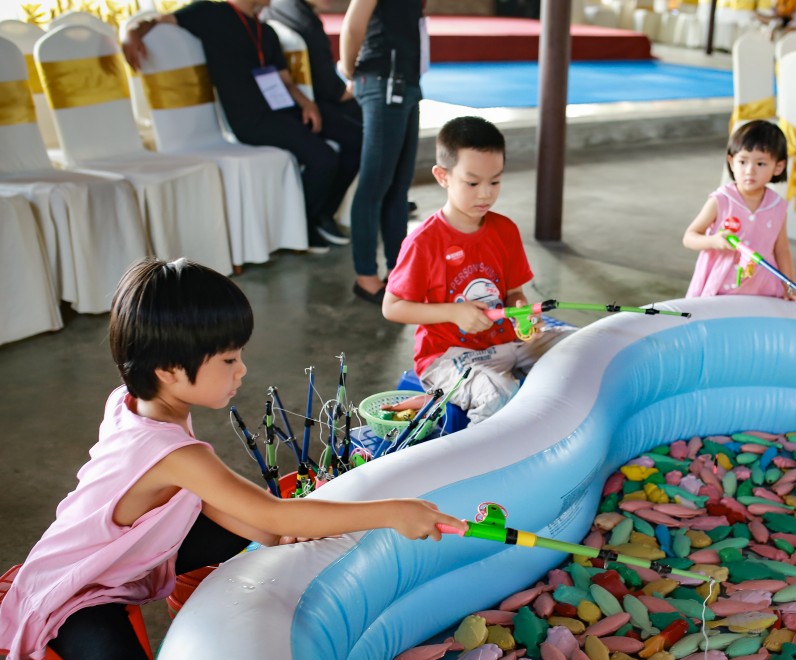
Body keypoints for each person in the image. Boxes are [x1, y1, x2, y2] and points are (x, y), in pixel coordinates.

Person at [0, 260, 463, 660]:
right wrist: (393, 511)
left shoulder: (133, 401)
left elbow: (243, 512)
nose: (242, 370)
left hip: (127, 551)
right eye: (228, 359)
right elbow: (277, 513)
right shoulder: (180, 455)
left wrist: (271, 527)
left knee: (258, 526)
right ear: (171, 371)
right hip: (79, 586)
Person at [121, 0, 360, 253]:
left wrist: (306, 104)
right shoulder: (211, 13)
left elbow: (284, 80)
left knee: (358, 139)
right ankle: (305, 224)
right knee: (324, 158)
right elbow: (156, 21)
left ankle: (322, 213)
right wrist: (130, 35)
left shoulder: (265, 30)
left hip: (284, 109)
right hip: (251, 119)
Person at [381, 117, 573, 424]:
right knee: (499, 395)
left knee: (580, 348)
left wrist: (522, 312)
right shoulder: (423, 242)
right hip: (449, 356)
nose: (485, 194)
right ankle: (483, 463)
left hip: (508, 343)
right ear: (442, 176)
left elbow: (513, 293)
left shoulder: (505, 230)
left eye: (495, 181)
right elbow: (392, 308)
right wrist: (453, 312)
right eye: (472, 183)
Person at [340, 0, 423, 304]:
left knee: (398, 187)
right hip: (384, 80)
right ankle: (365, 276)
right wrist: (350, 70)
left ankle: (397, 271)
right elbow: (353, 25)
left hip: (406, 83)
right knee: (374, 188)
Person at [682, 120, 796, 300]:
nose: (750, 171)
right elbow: (689, 237)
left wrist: (789, 287)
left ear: (778, 167)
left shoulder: (777, 206)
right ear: (731, 161)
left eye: (760, 164)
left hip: (762, 287)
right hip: (721, 286)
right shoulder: (721, 200)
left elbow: (782, 250)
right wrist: (713, 241)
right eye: (743, 161)